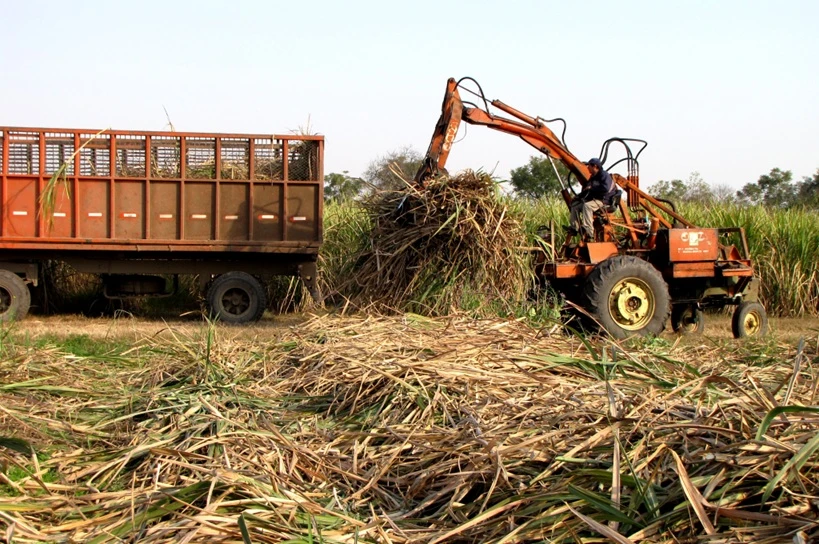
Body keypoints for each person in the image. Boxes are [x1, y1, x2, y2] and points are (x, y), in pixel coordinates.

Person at [566, 158, 619, 240]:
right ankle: (574, 228)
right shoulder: (593, 177)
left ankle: (589, 232)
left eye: (589, 166)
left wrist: (592, 188)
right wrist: (577, 197)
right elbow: (587, 190)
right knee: (575, 206)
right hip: (595, 200)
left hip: (604, 200)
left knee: (587, 206)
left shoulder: (604, 175)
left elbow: (605, 189)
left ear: (595, 166)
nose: (588, 168)